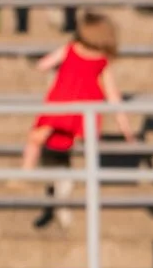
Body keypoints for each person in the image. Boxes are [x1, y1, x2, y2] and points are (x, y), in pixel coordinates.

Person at [22, 13, 136, 228]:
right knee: (77, 156)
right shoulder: (102, 62)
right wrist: (125, 128)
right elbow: (113, 96)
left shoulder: (70, 49)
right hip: (83, 117)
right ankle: (66, 197)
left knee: (39, 139)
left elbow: (43, 65)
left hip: (60, 108)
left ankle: (25, 174)